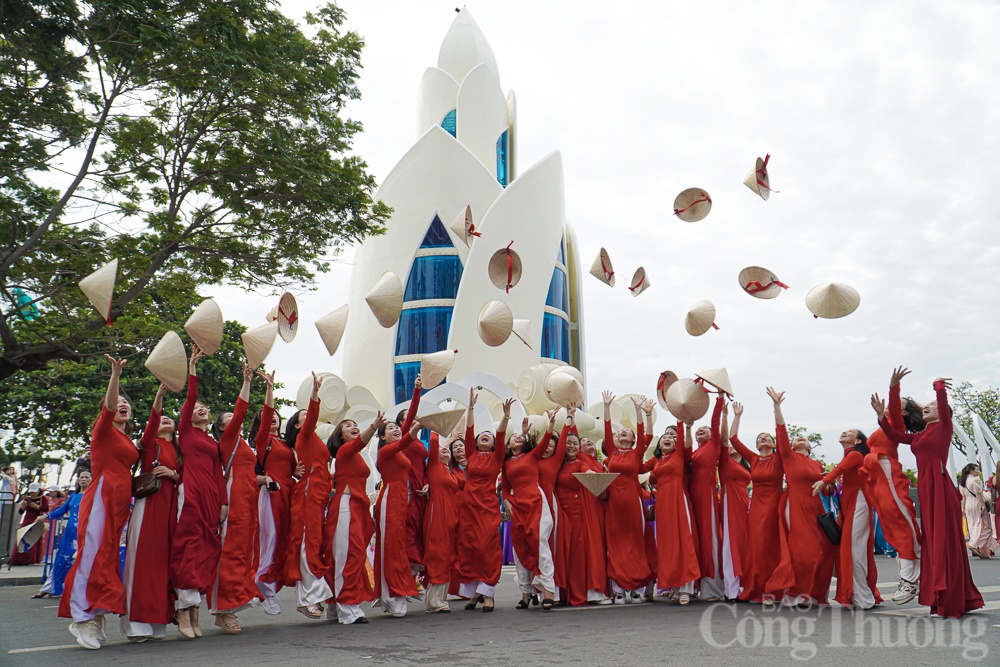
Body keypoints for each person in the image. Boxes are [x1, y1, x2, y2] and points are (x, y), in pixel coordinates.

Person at [872, 378, 984, 618]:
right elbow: (894, 435)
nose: (928, 406)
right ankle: (939, 597)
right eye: (927, 404)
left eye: (932, 405)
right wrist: (881, 416)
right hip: (926, 489)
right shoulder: (920, 436)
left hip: (941, 488)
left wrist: (939, 388)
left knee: (944, 541)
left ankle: (951, 599)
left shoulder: (944, 427)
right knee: (933, 543)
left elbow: (943, 407)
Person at [58, 355, 139, 650]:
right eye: (119, 402)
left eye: (127, 404)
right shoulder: (102, 432)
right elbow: (108, 406)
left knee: (107, 557)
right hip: (102, 497)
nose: (123, 406)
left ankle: (98, 609)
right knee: (91, 555)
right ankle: (81, 616)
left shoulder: (129, 441)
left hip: (120, 502)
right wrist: (115, 375)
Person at [170, 345, 228, 639]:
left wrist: (223, 503)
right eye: (197, 408)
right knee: (188, 548)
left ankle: (194, 609)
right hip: (190, 492)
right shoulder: (187, 432)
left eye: (205, 407)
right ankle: (183, 607)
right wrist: (192, 368)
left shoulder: (211, 441)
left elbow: (219, 473)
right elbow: (190, 397)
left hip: (210, 497)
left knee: (206, 550)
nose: (201, 408)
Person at [121, 382, 181, 641]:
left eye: (170, 419)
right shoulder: (150, 443)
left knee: (163, 567)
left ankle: (158, 622)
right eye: (162, 418)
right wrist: (159, 395)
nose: (165, 419)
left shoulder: (179, 452)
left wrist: (174, 473)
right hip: (149, 509)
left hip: (171, 512)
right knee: (142, 563)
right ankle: (136, 625)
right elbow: (154, 418)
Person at [765, 387, 834, 607]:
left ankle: (813, 593)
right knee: (805, 553)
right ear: (792, 446)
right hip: (795, 506)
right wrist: (777, 406)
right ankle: (795, 593)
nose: (800, 439)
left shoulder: (817, 464)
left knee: (822, 552)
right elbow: (781, 432)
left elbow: (825, 491)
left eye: (803, 438)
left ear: (810, 447)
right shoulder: (789, 457)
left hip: (816, 509)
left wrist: (830, 485)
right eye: (796, 439)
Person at [860, 366, 923, 604]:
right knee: (889, 525)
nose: (889, 407)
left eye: (897, 407)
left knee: (900, 521)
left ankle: (910, 579)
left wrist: (894, 385)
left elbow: (895, 408)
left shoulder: (897, 423)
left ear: (904, 414)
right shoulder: (883, 425)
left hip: (888, 474)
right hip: (877, 477)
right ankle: (907, 576)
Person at [209, 362, 259, 633]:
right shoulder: (227, 441)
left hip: (249, 498)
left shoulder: (243, 443)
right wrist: (247, 382)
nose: (233, 418)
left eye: (232, 417)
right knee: (229, 553)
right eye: (227, 417)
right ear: (221, 427)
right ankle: (224, 608)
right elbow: (242, 412)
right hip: (235, 496)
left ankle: (228, 606)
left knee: (242, 553)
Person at [323, 412, 385, 624]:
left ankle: (335, 607)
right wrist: (374, 426)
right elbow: (360, 442)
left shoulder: (355, 454)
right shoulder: (344, 451)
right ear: (340, 435)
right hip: (345, 508)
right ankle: (347, 609)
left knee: (352, 556)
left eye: (355, 424)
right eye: (347, 425)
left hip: (356, 508)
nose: (353, 426)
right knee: (346, 557)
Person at [285, 372, 335, 620]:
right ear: (297, 426)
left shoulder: (315, 440)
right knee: (307, 544)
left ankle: (311, 596)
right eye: (303, 416)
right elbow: (313, 416)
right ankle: (306, 599)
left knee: (313, 543)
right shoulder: (304, 436)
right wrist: (315, 393)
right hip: (307, 494)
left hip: (319, 494)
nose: (309, 418)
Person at [455, 390, 510, 612]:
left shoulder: (497, 457)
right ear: (476, 442)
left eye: (489, 435)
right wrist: (470, 407)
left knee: (488, 548)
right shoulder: (470, 454)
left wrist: (505, 417)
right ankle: (472, 593)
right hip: (468, 507)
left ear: (493, 442)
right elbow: (468, 430)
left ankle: (488, 593)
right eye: (481, 435)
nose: (484, 435)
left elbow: (502, 434)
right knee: (469, 548)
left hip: (487, 507)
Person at [813, 429, 881, 609]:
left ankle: (863, 595)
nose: (844, 432)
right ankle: (859, 593)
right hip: (849, 506)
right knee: (851, 550)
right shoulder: (848, 458)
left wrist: (825, 481)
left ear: (858, 441)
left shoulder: (855, 455)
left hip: (859, 503)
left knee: (854, 549)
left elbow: (839, 469)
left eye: (850, 432)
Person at [373, 375, 423, 617]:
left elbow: (410, 417)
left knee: (399, 546)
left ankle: (392, 593)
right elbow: (408, 435)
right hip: (389, 500)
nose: (396, 428)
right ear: (382, 437)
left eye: (397, 427)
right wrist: (413, 431)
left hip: (403, 501)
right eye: (391, 428)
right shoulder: (386, 453)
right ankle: (393, 593)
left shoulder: (398, 447)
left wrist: (417, 390)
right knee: (392, 547)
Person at [502, 407, 558, 610]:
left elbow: (545, 441)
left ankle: (548, 590)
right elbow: (506, 488)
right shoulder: (506, 462)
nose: (517, 438)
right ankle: (525, 592)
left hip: (536, 500)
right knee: (520, 548)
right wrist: (507, 501)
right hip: (518, 505)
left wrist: (550, 422)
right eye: (514, 437)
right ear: (508, 444)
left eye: (520, 437)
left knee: (540, 543)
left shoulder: (533, 456)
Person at [253, 370, 298, 614]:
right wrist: (269, 389)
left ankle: (270, 587)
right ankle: (264, 590)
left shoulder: (285, 444)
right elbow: (267, 412)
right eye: (266, 417)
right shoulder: (263, 441)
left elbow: (292, 469)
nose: (271, 419)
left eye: (274, 417)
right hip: (272, 494)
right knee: (269, 542)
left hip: (289, 492)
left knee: (283, 541)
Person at [728, 403, 784, 604]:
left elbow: (782, 432)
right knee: (757, 549)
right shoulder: (752, 459)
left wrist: (776, 407)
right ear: (757, 445)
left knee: (772, 548)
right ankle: (755, 588)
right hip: (757, 508)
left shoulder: (780, 459)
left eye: (767, 437)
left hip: (775, 506)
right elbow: (733, 439)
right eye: (760, 437)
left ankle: (773, 589)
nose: (763, 438)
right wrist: (737, 416)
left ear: (773, 443)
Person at [601, 392, 654, 602]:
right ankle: (618, 588)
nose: (623, 434)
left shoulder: (637, 453)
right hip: (613, 505)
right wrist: (606, 406)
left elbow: (643, 434)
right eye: (620, 432)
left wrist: (640, 410)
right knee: (615, 546)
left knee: (635, 544)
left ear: (632, 440)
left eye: (627, 432)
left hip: (633, 504)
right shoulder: (612, 452)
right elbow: (606, 428)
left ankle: (637, 588)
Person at [641, 422, 700, 604]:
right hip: (662, 504)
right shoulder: (656, 461)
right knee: (668, 545)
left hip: (678, 500)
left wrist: (681, 420)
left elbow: (684, 440)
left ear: (676, 444)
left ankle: (687, 589)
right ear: (658, 446)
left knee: (684, 542)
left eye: (671, 438)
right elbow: (637, 468)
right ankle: (675, 587)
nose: (667, 439)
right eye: (663, 438)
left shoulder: (680, 455)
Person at [689, 393, 725, 601]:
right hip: (692, 499)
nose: (701, 430)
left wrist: (719, 398)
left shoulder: (713, 447)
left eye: (705, 429)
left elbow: (715, 420)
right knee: (696, 541)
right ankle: (696, 584)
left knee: (709, 539)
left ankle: (713, 587)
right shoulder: (694, 452)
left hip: (707, 498)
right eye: (698, 430)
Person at [34, 472, 91, 599]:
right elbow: (62, 510)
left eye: (87, 477)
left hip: (86, 533)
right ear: (78, 480)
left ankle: (80, 589)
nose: (83, 479)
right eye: (81, 477)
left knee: (82, 562)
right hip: (70, 534)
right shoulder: (74, 496)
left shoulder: (94, 495)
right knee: (61, 561)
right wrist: (46, 516)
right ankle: (50, 587)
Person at [423, 432, 462, 612]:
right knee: (437, 553)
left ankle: (440, 598)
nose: (445, 450)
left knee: (447, 554)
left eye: (448, 449)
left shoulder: (451, 471)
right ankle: (433, 601)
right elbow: (433, 442)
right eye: (442, 449)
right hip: (437, 513)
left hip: (450, 515)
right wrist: (437, 428)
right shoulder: (433, 466)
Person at [717, 405, 750, 602]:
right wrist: (730, 416)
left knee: (745, 543)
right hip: (730, 503)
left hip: (745, 502)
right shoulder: (725, 462)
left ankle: (745, 584)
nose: (730, 446)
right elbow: (726, 438)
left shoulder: (746, 465)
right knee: (730, 544)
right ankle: (731, 588)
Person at [959, 463, 996, 558]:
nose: (978, 471)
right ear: (971, 470)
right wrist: (983, 505)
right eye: (976, 469)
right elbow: (978, 494)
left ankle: (983, 552)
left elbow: (964, 497)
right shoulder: (975, 480)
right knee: (986, 527)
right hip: (977, 503)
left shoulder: (963, 481)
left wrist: (962, 508)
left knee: (973, 525)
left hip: (968, 504)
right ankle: (975, 544)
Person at [13, 482, 49, 565]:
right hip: (27, 519)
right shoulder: (27, 499)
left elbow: (46, 509)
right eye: (31, 491)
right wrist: (23, 507)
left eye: (34, 491)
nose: (33, 493)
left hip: (37, 519)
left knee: (34, 537)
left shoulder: (42, 499)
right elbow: (21, 512)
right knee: (23, 537)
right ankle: (20, 558)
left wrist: (37, 507)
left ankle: (32, 559)